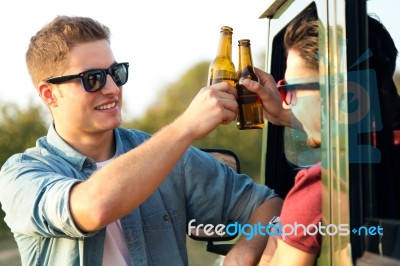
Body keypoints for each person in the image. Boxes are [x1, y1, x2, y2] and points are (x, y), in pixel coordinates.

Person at [0, 16, 282, 266]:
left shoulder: (172, 156)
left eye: (116, 73)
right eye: (93, 79)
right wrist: (185, 127)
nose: (113, 89)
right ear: (49, 95)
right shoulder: (21, 175)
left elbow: (267, 204)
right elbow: (93, 208)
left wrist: (242, 255)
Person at [243, 4, 400, 266]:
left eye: (289, 89)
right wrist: (285, 117)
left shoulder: (323, 187)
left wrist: (275, 232)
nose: (286, 103)